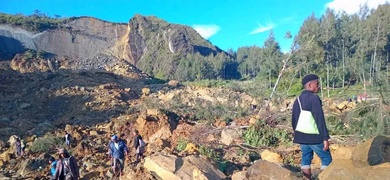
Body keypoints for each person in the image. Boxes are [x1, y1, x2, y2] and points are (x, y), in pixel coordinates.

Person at [291, 74, 332, 180]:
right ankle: (322, 178)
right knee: (326, 158)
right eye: (317, 84)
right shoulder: (314, 98)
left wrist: (298, 133)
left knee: (306, 158)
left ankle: (307, 178)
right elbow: (319, 119)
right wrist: (325, 138)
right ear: (309, 85)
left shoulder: (298, 100)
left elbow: (294, 120)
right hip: (315, 137)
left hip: (302, 136)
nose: (318, 86)